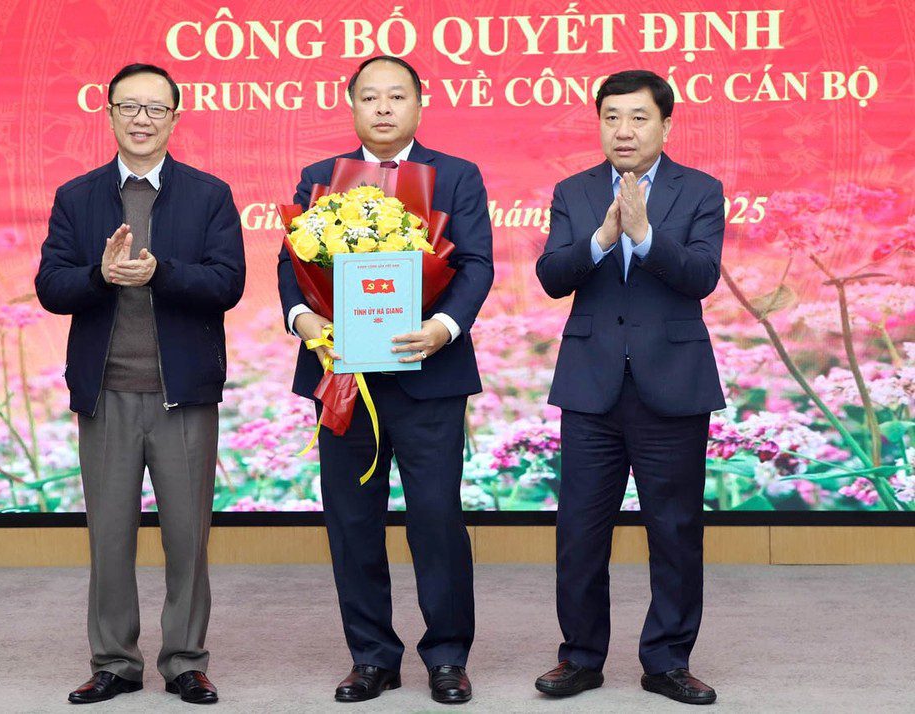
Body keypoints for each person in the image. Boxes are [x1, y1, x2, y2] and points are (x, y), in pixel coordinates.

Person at [277, 55, 493, 705]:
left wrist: (443, 328)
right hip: (343, 376)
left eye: (396, 96)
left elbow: (476, 264)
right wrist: (304, 320)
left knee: (436, 519)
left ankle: (448, 656)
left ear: (419, 104)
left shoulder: (457, 175)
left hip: (430, 375)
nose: (383, 108)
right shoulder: (321, 177)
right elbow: (292, 265)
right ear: (352, 106)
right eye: (369, 97)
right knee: (352, 521)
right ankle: (371, 657)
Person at [35, 63, 245, 705]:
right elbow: (51, 287)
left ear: (175, 118)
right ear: (109, 114)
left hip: (183, 394)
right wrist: (99, 276)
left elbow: (227, 283)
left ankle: (185, 660)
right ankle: (114, 662)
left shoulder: (209, 194)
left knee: (187, 536)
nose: (142, 119)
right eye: (129, 106)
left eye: (156, 108)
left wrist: (162, 272)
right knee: (109, 536)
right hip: (106, 394)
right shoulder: (77, 196)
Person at [534, 69, 725, 706]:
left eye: (639, 118)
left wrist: (643, 236)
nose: (624, 130)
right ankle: (581, 658)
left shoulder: (701, 190)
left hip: (672, 383)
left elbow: (701, 276)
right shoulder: (574, 190)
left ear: (665, 125)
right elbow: (552, 276)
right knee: (580, 532)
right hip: (591, 385)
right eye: (611, 117)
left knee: (675, 530)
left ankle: (667, 661)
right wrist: (602, 238)